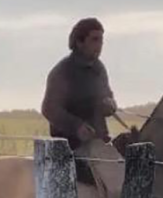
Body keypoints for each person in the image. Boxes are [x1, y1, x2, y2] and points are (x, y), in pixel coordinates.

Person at [41, 17, 117, 149]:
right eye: (94, 40)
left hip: (98, 144)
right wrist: (76, 126)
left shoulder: (99, 68)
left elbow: (106, 97)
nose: (99, 45)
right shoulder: (63, 71)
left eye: (101, 40)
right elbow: (49, 109)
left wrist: (110, 105)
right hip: (69, 148)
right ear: (79, 42)